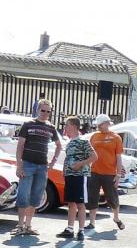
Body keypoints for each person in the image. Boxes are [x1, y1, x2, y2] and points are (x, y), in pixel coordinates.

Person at [13, 98, 61, 236]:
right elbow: (20, 145)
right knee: (23, 195)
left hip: (42, 167)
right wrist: (19, 166)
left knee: (36, 197)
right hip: (27, 164)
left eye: (48, 111)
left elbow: (59, 145)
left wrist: (53, 162)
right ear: (37, 110)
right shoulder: (28, 124)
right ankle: (20, 225)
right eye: (43, 110)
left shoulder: (51, 127)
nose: (45, 113)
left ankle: (28, 226)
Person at [57, 116, 97, 240]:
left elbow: (94, 157)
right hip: (69, 176)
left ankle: (81, 230)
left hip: (80, 176)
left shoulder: (83, 141)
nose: (65, 128)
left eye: (67, 125)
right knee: (70, 202)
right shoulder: (69, 143)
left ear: (74, 126)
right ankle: (70, 228)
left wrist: (80, 163)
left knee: (80, 203)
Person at [87, 113, 125, 231]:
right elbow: (89, 153)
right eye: (97, 125)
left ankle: (116, 218)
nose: (98, 126)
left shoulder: (116, 138)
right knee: (92, 196)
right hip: (94, 172)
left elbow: (118, 157)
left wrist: (118, 174)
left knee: (112, 197)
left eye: (100, 124)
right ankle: (92, 222)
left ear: (107, 124)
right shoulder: (94, 137)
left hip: (109, 173)